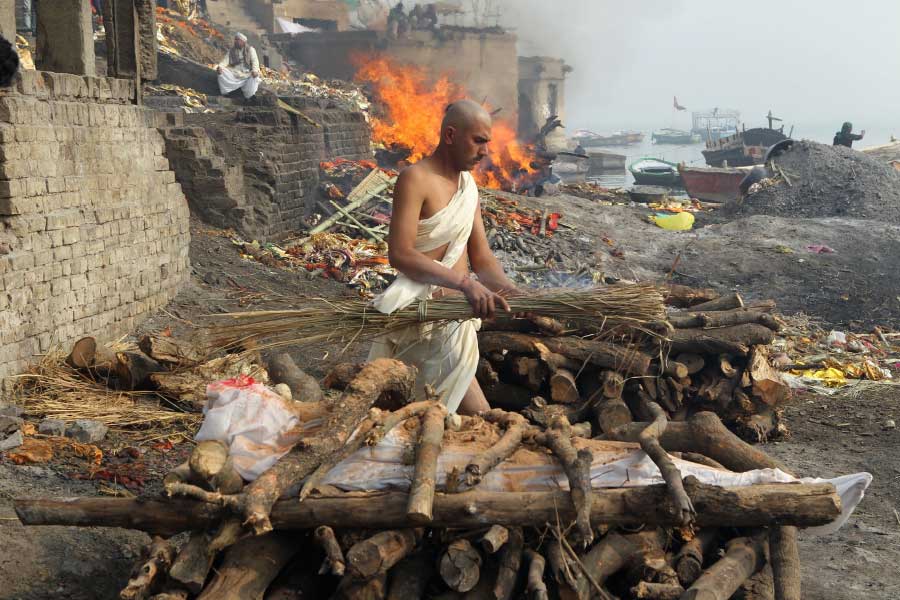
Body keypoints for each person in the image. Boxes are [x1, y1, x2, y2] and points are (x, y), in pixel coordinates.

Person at [368, 100, 520, 415]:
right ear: (450, 135)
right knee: (477, 415)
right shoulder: (415, 178)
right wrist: (465, 284)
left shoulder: (469, 188)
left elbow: (482, 259)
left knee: (441, 415)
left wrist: (513, 291)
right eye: (479, 141)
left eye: (488, 143)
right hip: (423, 316)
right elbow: (400, 254)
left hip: (456, 318)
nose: (485, 151)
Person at [216, 33, 260, 100]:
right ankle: (228, 92)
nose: (235, 41)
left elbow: (255, 62)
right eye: (235, 40)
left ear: (243, 41)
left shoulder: (251, 50)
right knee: (222, 72)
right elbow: (225, 61)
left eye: (237, 40)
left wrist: (254, 71)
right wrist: (220, 67)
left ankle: (249, 96)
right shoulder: (231, 51)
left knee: (254, 77)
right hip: (235, 73)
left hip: (247, 74)